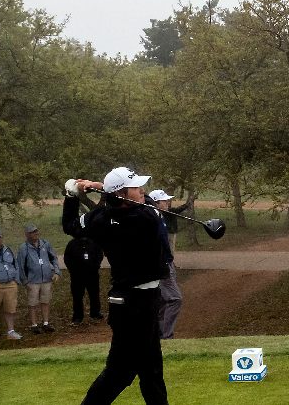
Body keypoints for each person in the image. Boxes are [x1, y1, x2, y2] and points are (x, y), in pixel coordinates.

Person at [63, 167, 170, 405]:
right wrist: (103, 188)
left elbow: (70, 225)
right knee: (120, 372)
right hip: (135, 305)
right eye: (136, 188)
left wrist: (71, 195)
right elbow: (152, 205)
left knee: (152, 371)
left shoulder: (100, 218)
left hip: (139, 300)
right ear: (122, 195)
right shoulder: (144, 218)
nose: (142, 191)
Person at [146, 189, 183, 339]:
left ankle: (159, 333)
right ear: (155, 202)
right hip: (161, 265)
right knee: (175, 299)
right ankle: (167, 336)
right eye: (164, 201)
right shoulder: (152, 219)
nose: (167, 202)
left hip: (166, 263)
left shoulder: (160, 217)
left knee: (162, 301)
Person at [17, 223, 61, 334]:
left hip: (46, 279)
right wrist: (25, 281)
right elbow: (20, 266)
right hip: (32, 281)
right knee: (33, 303)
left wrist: (56, 272)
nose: (35, 233)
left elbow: (54, 258)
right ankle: (34, 325)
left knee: (45, 301)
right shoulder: (23, 248)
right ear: (27, 234)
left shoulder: (45, 244)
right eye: (32, 232)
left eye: (36, 231)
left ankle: (46, 323)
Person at [65, 234, 104, 324]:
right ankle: (78, 316)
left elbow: (100, 255)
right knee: (77, 296)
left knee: (94, 294)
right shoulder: (72, 244)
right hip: (77, 276)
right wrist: (73, 270)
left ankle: (95, 313)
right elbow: (67, 258)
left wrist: (96, 266)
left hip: (92, 274)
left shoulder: (94, 242)